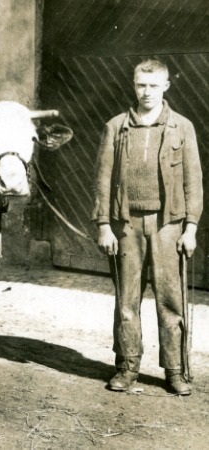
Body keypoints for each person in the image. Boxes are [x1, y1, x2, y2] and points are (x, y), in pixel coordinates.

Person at [93, 59, 203, 396]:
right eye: (141, 85)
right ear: (133, 84)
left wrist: (191, 228)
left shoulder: (181, 127)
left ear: (167, 86)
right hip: (126, 225)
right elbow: (102, 179)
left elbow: (193, 180)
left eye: (154, 86)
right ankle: (127, 367)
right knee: (127, 301)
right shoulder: (116, 127)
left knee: (170, 301)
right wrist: (103, 226)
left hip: (169, 226)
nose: (147, 92)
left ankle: (175, 371)